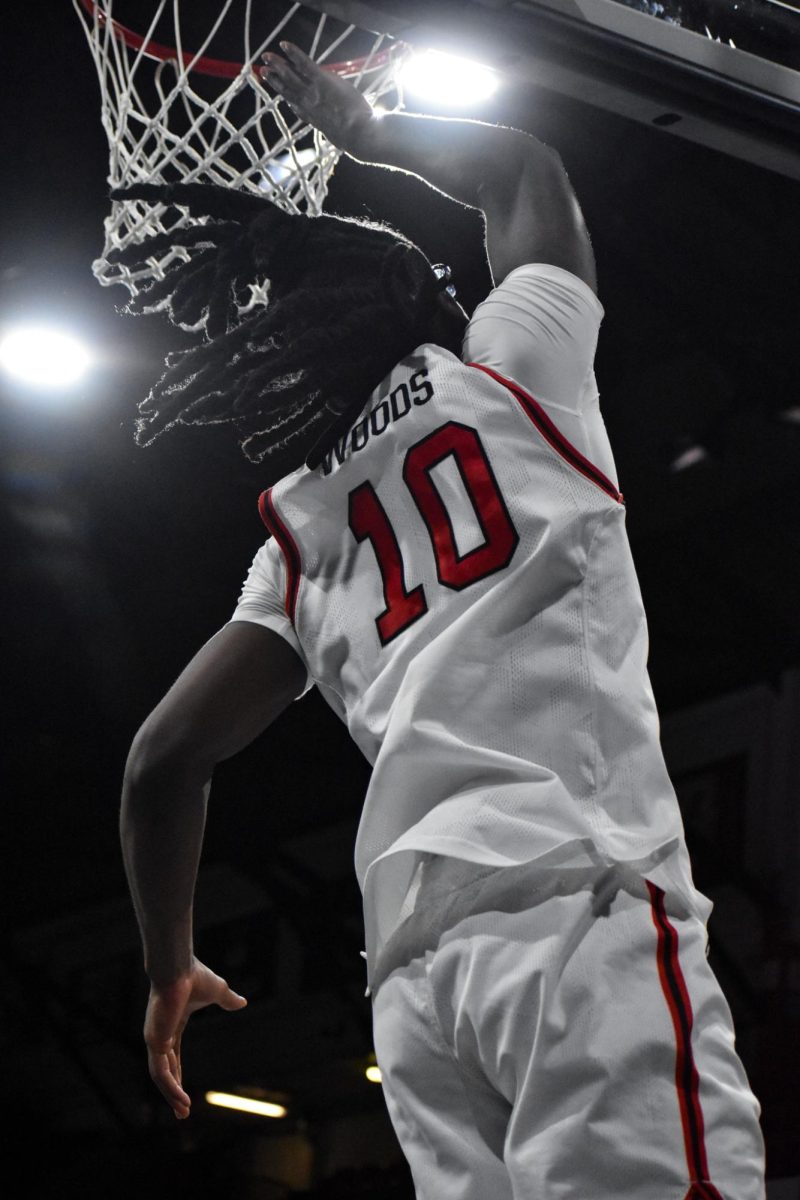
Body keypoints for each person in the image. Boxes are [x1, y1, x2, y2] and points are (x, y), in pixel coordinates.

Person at [120, 42, 765, 1199]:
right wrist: (374, 138)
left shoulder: (300, 534)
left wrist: (168, 962)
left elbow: (162, 760)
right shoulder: (506, 372)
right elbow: (520, 174)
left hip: (416, 984)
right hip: (570, 900)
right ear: (428, 308)